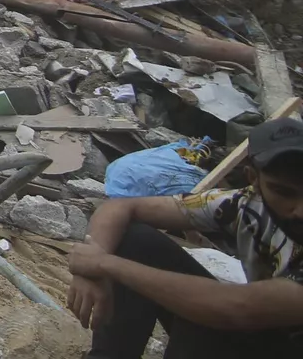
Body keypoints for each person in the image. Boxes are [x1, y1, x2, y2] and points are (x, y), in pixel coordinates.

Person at [67, 115, 303, 357]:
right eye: (283, 192)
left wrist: (104, 264)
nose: (299, 209)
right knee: (137, 241)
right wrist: (92, 268)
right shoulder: (243, 205)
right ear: (254, 179)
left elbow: (237, 307)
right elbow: (120, 208)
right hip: (262, 333)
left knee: (208, 309)